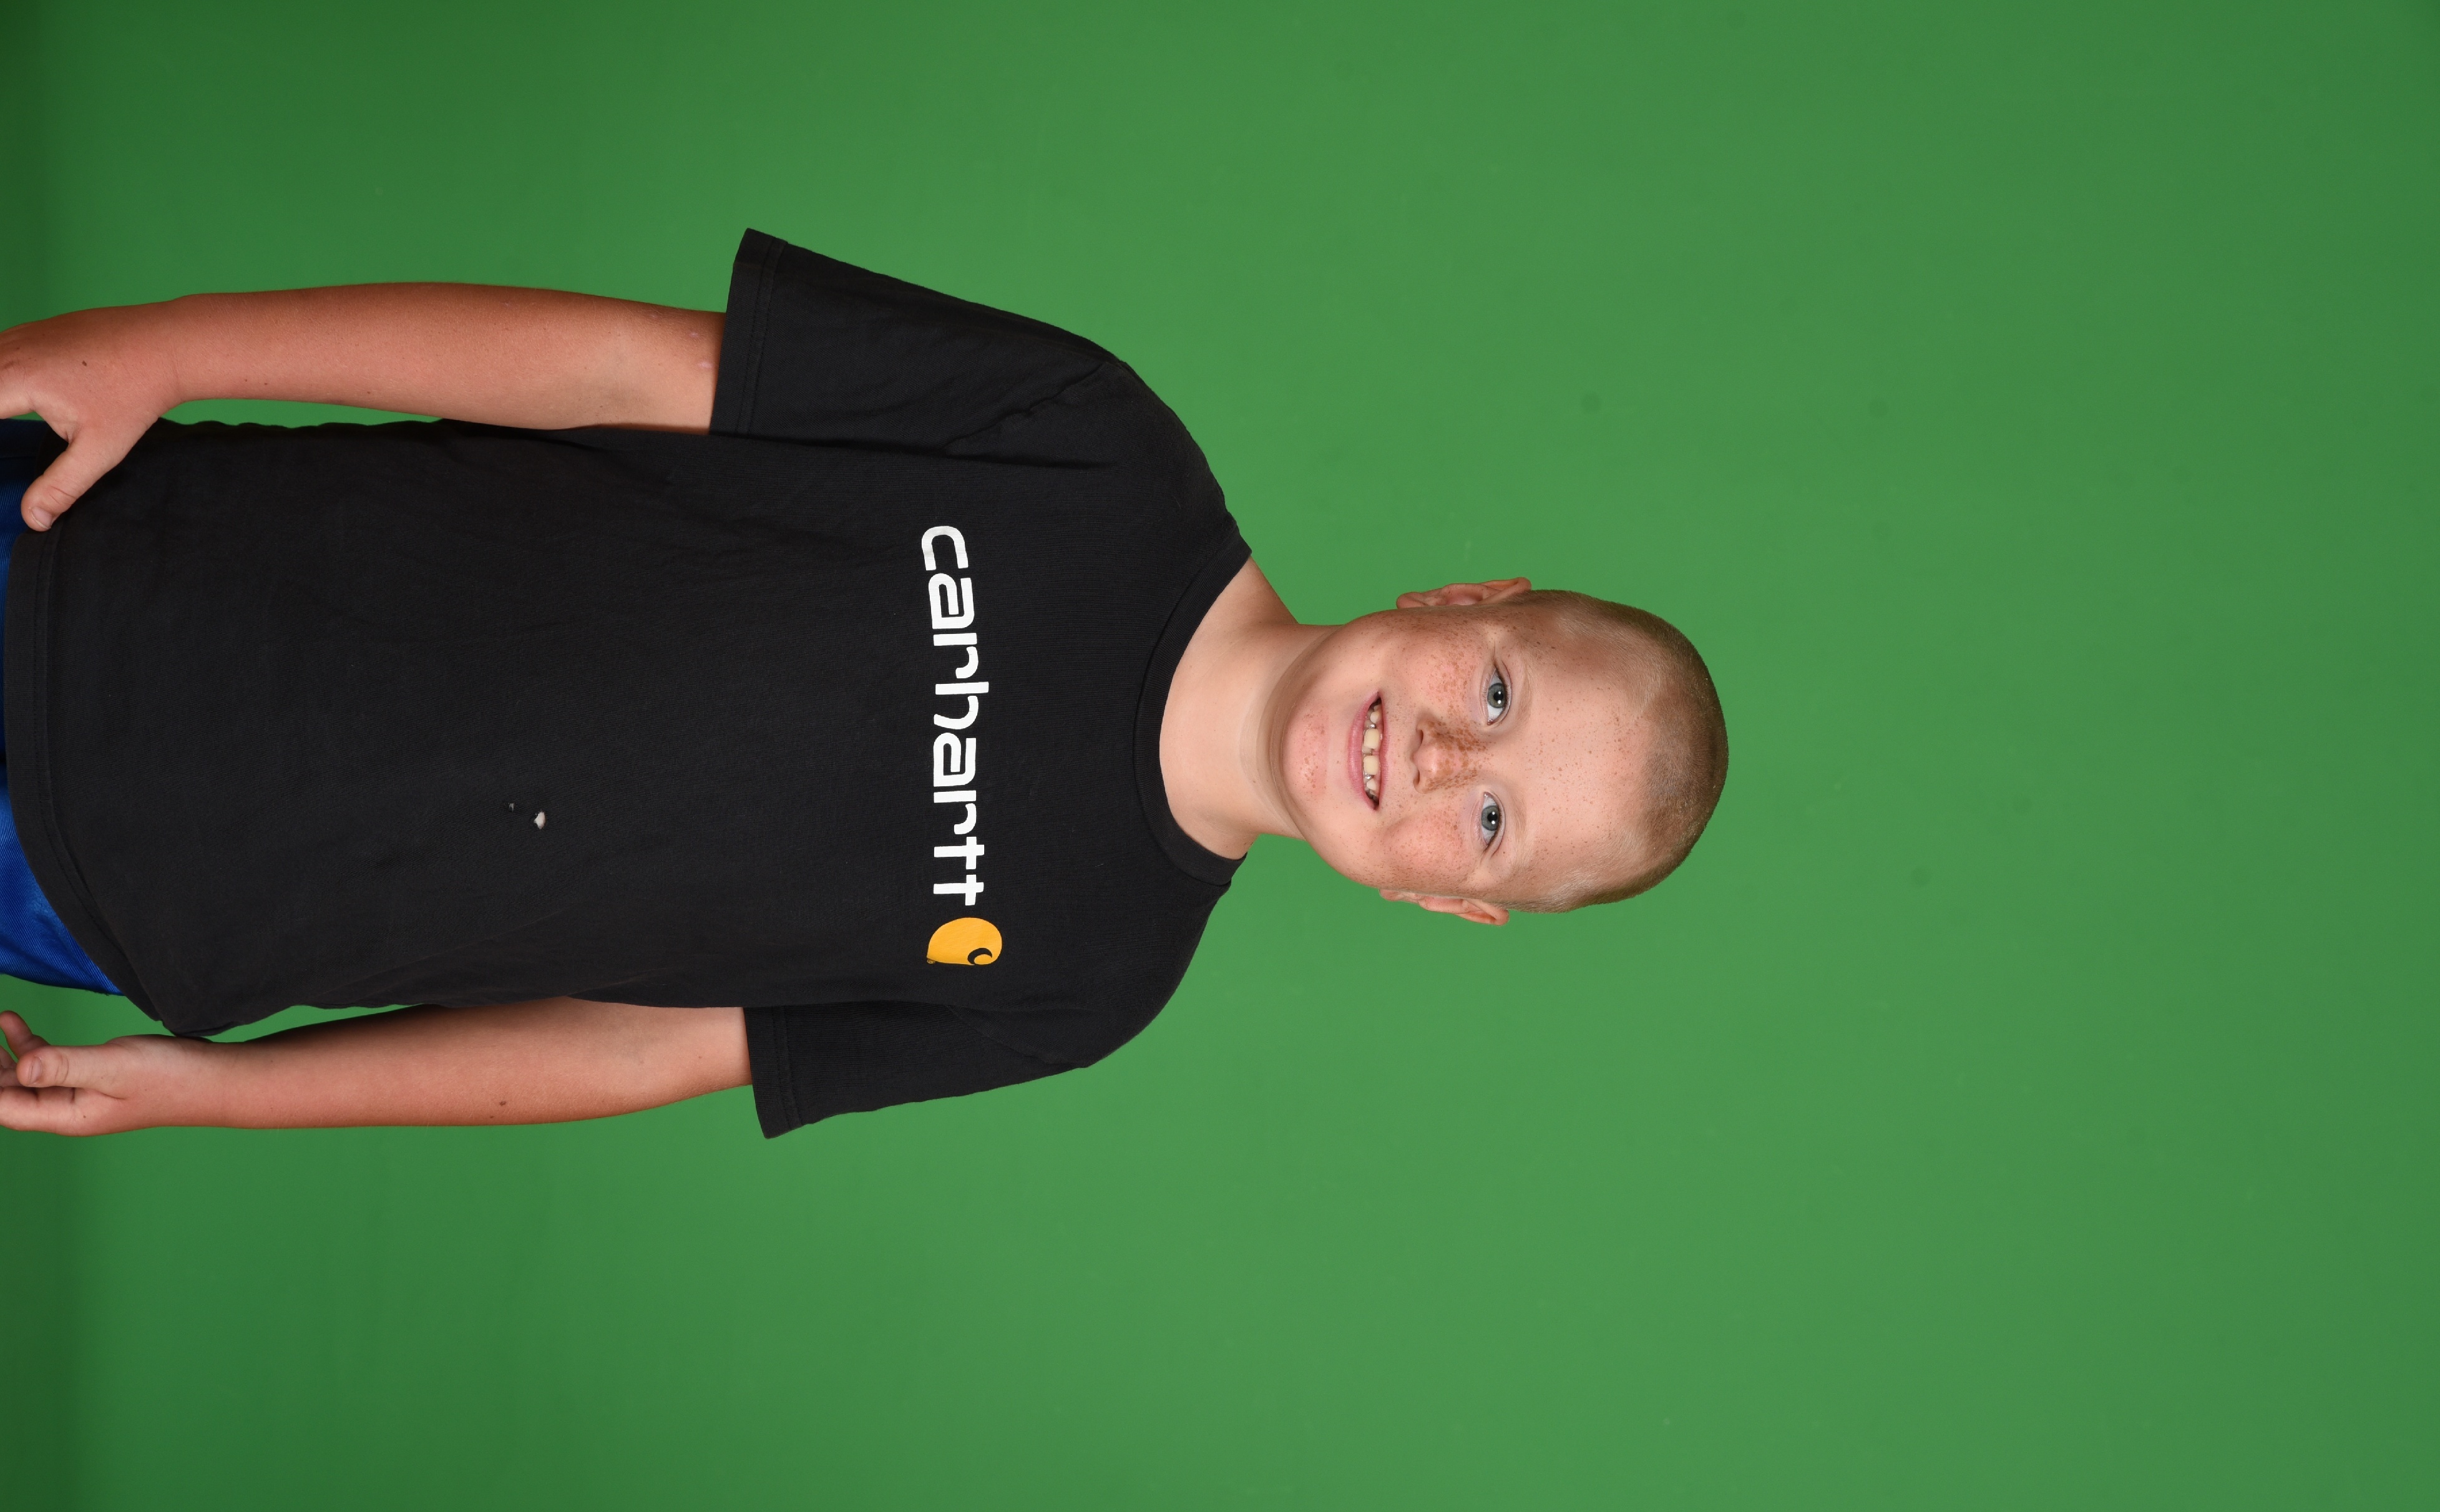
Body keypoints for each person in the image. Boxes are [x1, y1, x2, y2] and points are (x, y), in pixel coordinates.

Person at [0, 230, 1726, 1139]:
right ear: (1469, 597)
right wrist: (173, 347)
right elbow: (613, 363)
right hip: (109, 554)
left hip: (134, 893)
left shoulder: (1088, 984)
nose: (1439, 758)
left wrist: (229, 1092)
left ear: (1448, 905)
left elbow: (642, 1046)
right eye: (1498, 694)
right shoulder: (1096, 444)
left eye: (1491, 824)